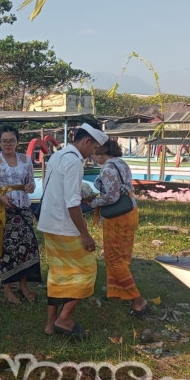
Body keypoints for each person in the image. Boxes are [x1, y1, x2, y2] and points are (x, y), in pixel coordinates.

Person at [37, 122, 108, 339]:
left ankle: (50, 325)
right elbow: (71, 203)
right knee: (87, 269)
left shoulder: (59, 155)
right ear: (87, 141)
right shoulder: (74, 162)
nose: (93, 153)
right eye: (94, 148)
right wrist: (85, 234)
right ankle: (64, 318)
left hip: (49, 222)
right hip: (64, 225)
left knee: (58, 273)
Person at [86, 138, 149, 317]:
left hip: (117, 216)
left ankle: (137, 300)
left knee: (114, 258)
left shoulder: (107, 168)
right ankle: (117, 292)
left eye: (96, 153)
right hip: (130, 211)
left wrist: (93, 202)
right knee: (123, 255)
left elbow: (111, 197)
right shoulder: (122, 163)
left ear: (101, 153)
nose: (95, 157)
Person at [0, 126, 41, 305]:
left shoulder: (25, 160)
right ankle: (8, 288)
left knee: (26, 247)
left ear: (17, 142)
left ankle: (23, 285)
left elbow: (30, 182)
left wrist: (31, 186)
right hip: (3, 212)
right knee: (5, 249)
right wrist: (0, 197)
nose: (8, 144)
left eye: (12, 141)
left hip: (23, 209)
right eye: (4, 141)